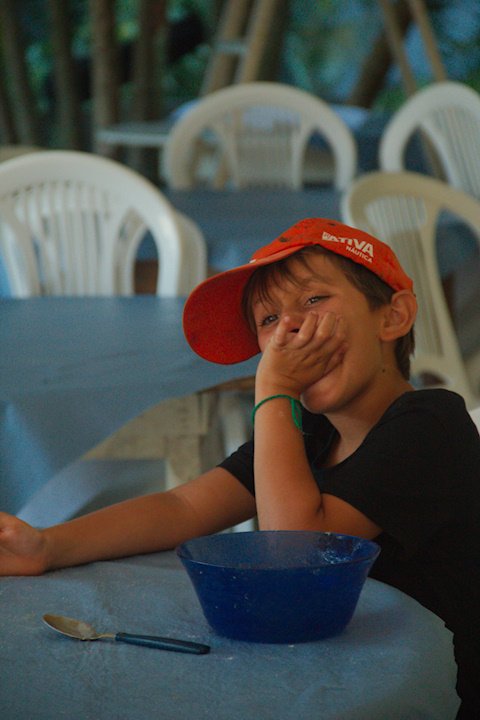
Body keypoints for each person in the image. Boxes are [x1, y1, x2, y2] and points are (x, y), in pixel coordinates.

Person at [0, 218, 479, 716]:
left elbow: (298, 554)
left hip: (437, 694)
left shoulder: (429, 424)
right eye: (268, 319)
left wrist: (275, 392)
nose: (289, 329)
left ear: (393, 317)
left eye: (314, 300)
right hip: (339, 666)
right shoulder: (313, 433)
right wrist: (48, 546)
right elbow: (184, 507)